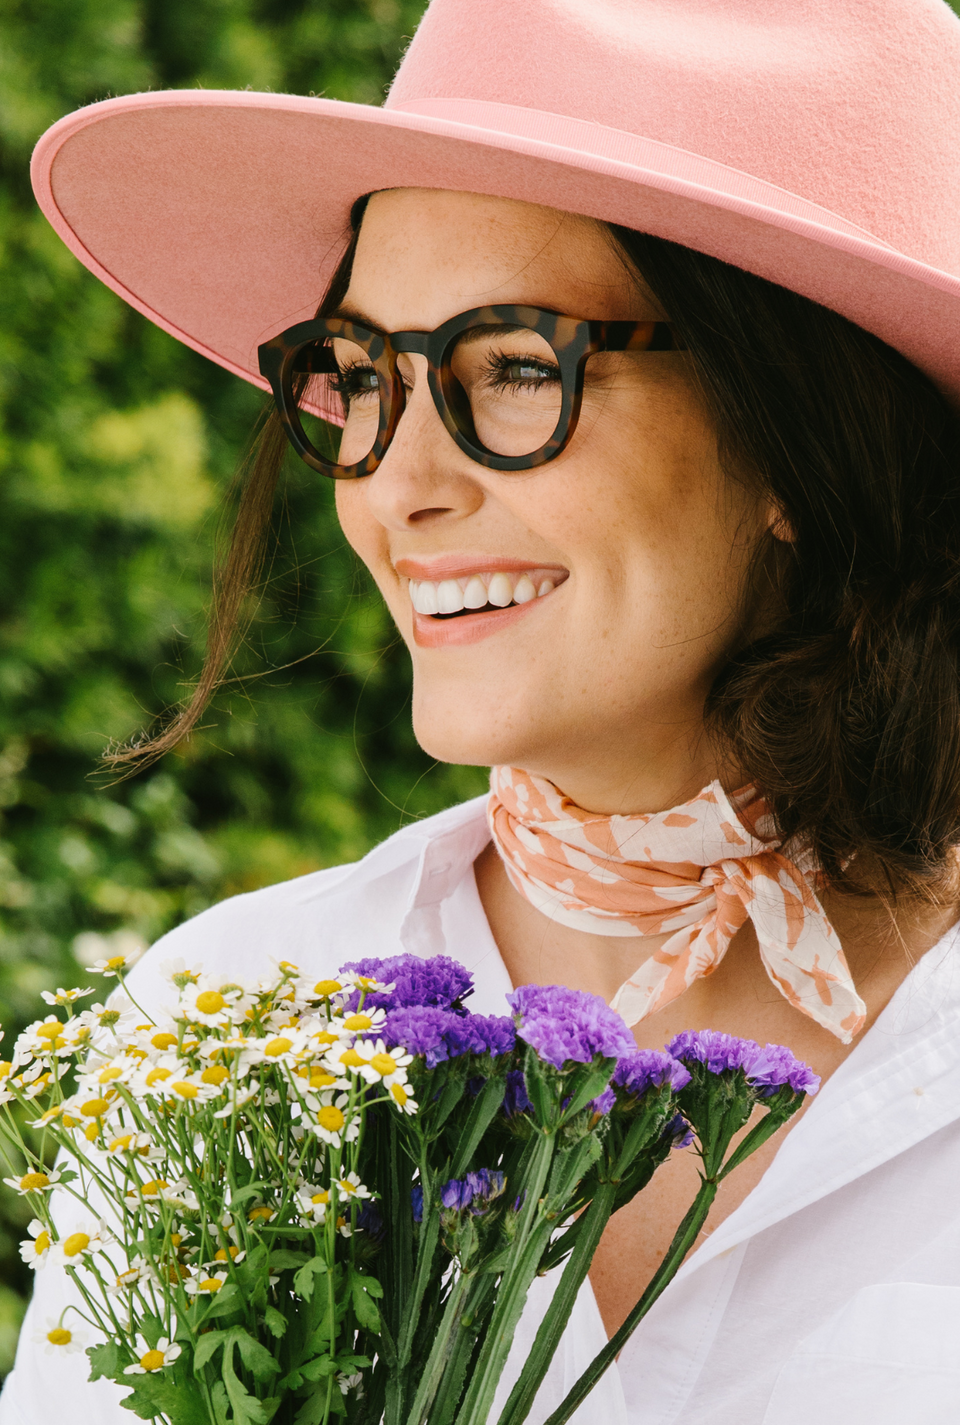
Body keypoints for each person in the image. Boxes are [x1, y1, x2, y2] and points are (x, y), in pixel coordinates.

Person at [6, 0, 960, 1420]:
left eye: (514, 368)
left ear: (799, 437)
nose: (397, 485)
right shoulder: (237, 1017)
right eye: (363, 378)